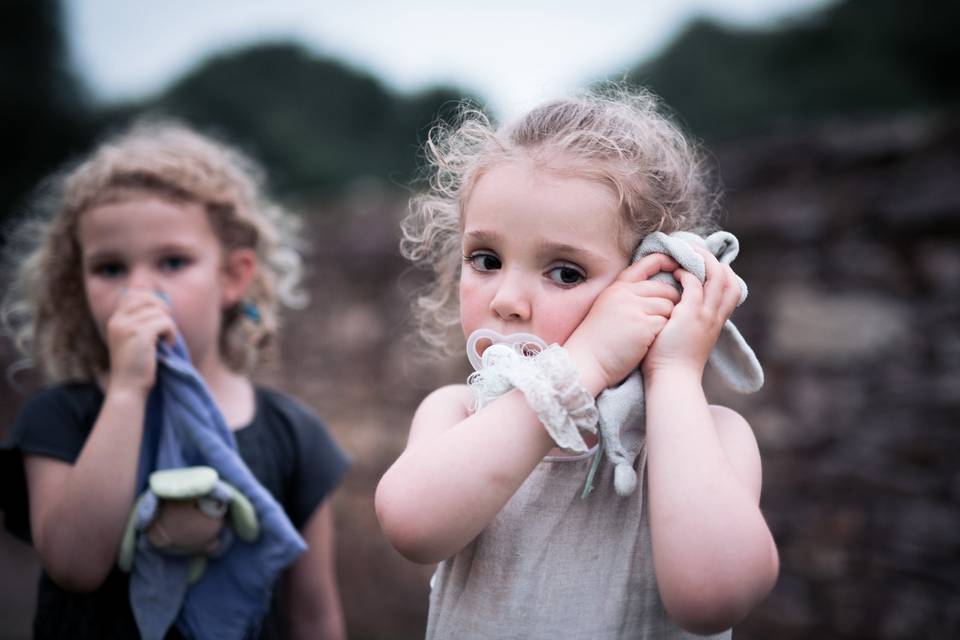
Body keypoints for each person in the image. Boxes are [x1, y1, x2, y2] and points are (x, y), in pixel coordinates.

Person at [375, 88, 779, 639]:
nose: (507, 299)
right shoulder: (458, 414)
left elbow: (711, 598)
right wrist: (581, 364)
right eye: (486, 260)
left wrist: (676, 374)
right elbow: (412, 527)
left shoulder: (710, 436)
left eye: (564, 272)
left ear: (654, 280)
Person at [0, 119, 349, 639]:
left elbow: (313, 615)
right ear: (78, 284)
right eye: (110, 268)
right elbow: (74, 564)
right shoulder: (59, 419)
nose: (139, 290)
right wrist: (126, 391)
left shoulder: (294, 433)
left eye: (172, 262)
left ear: (232, 276)